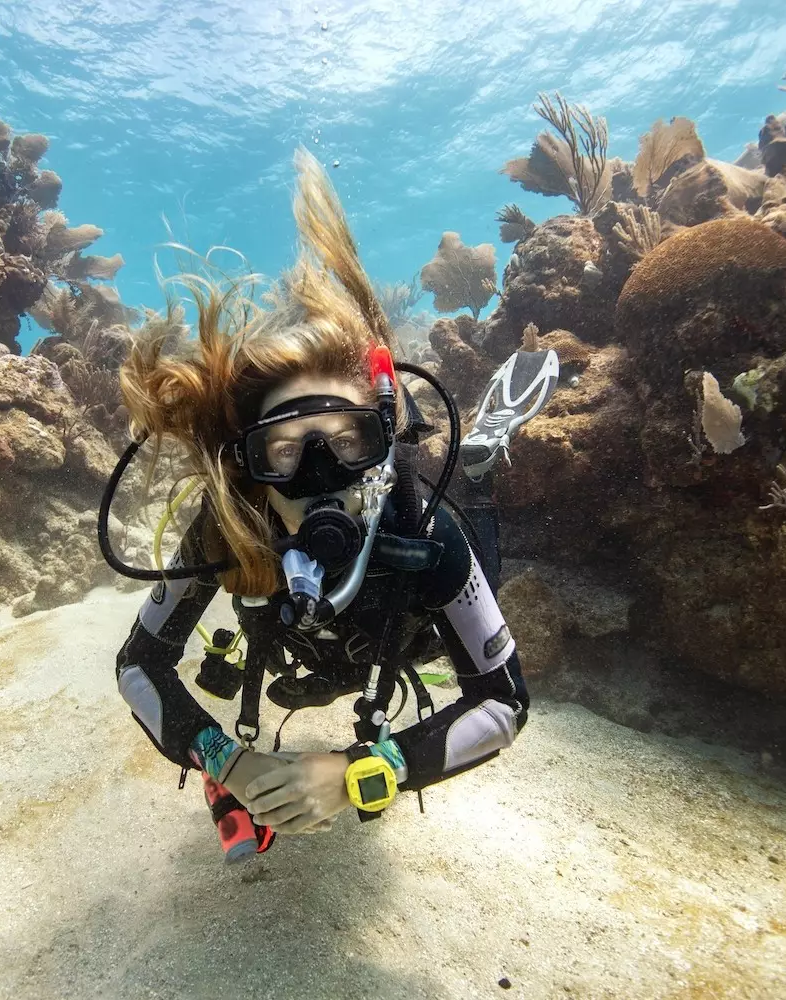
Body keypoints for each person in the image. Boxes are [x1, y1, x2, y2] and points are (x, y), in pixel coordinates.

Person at [107, 151, 558, 859]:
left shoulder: (427, 535)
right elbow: (139, 665)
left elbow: (504, 700)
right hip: (305, 648)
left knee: (482, 557)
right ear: (249, 466)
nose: (322, 479)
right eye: (284, 453)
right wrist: (225, 758)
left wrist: (360, 773)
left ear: (384, 445)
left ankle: (480, 464)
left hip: (408, 628)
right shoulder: (231, 528)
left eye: (348, 443)